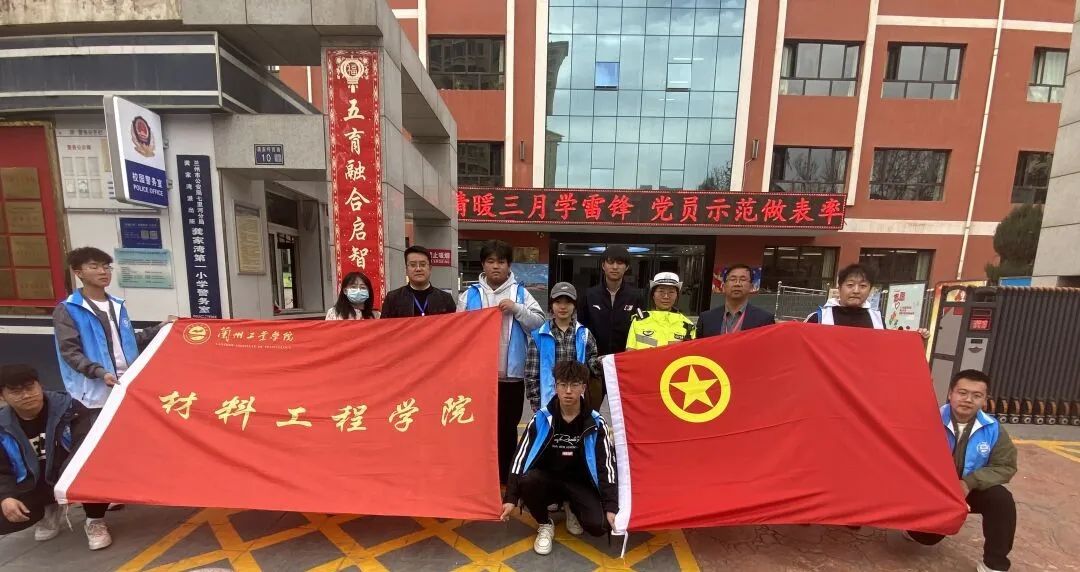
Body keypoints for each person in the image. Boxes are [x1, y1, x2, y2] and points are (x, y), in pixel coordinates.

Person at [500, 361, 618, 555]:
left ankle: (571, 506)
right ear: (555, 387)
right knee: (528, 480)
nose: (568, 391)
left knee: (599, 526)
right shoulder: (541, 419)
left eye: (574, 385)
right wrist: (510, 497)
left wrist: (611, 505)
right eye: (563, 385)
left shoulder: (596, 422)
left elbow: (607, 465)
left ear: (583, 387)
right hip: (549, 480)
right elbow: (520, 457)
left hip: (580, 482)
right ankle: (545, 523)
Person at [905, 370, 1017, 572]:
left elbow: (1005, 466)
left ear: (985, 400)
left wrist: (969, 483)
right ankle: (912, 526)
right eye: (962, 393)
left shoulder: (993, 429)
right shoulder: (926, 420)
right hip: (932, 490)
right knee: (926, 538)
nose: (968, 400)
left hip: (969, 489)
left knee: (1001, 500)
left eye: (977, 395)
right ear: (950, 394)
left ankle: (995, 564)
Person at [457, 240, 546, 484]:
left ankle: (507, 479)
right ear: (483, 265)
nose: (496, 266)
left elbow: (539, 323)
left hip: (511, 377)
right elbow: (457, 331)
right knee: (479, 428)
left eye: (501, 262)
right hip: (479, 378)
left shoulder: (520, 294)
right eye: (491, 261)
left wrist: (517, 309)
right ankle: (480, 476)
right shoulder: (469, 295)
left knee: (507, 429)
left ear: (509, 265)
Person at [0, 364, 113, 550]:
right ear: (2, 396)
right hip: (33, 483)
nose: (26, 395)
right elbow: (2, 469)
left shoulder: (70, 409)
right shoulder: (2, 426)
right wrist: (6, 497)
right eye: (16, 391)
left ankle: (94, 519)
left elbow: (85, 447)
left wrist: (66, 485)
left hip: (69, 474)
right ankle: (49, 508)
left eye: (30, 387)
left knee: (99, 464)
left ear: (40, 385)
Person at [53, 247, 173, 410]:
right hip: (94, 394)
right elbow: (70, 352)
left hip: (127, 385)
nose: (103, 272)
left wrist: (160, 327)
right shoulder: (68, 309)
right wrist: (100, 372)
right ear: (78, 273)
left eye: (106, 267)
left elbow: (128, 342)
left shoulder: (117, 305)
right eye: (94, 267)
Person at [524, 283, 601, 413]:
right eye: (558, 302)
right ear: (551, 305)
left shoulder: (584, 334)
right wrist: (536, 403)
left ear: (574, 306)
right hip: (548, 403)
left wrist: (604, 363)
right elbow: (531, 375)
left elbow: (593, 366)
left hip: (578, 402)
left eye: (568, 302)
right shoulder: (539, 336)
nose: (563, 307)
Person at [577, 245, 646, 356]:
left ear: (627, 267)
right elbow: (581, 328)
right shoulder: (589, 295)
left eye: (620, 263)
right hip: (594, 358)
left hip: (624, 358)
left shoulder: (636, 296)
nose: (615, 267)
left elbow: (641, 329)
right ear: (603, 266)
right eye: (610, 262)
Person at [697, 264, 775, 337]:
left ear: (751, 287)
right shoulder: (706, 319)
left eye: (743, 279)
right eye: (733, 279)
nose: (737, 284)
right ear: (723, 287)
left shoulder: (765, 320)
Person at [380, 246, 457, 318]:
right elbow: (385, 326)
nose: (418, 269)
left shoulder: (445, 299)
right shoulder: (393, 299)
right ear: (406, 270)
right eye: (413, 265)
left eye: (423, 265)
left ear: (430, 268)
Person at [625, 272, 695, 350]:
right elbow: (630, 352)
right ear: (653, 295)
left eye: (671, 292)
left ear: (677, 296)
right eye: (661, 291)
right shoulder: (639, 321)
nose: (666, 296)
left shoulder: (688, 326)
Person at [805, 263, 884, 328]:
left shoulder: (878, 321)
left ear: (870, 290)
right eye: (850, 285)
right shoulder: (819, 318)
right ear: (839, 288)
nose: (856, 291)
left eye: (863, 286)